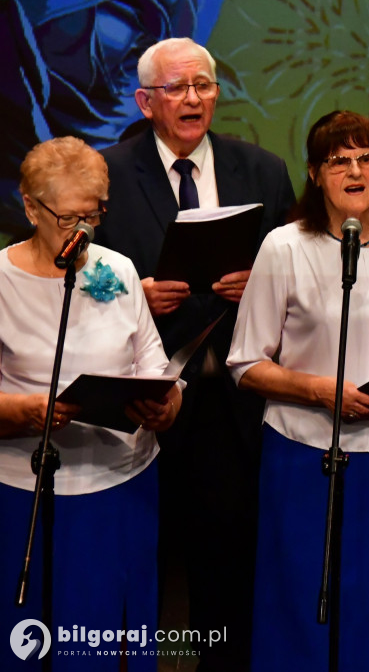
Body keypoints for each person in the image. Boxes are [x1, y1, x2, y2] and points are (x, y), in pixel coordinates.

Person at [226, 110, 369, 671]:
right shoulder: (284, 248)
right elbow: (244, 364)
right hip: (304, 458)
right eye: (339, 161)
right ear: (314, 174)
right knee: (303, 604)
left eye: (366, 158)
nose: (355, 171)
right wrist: (317, 390)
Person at [96, 37, 294, 669]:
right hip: (142, 402)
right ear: (145, 102)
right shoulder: (108, 173)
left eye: (204, 85)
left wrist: (262, 283)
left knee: (227, 573)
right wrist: (133, 294)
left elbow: (301, 276)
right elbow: (73, 277)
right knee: (134, 568)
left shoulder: (261, 170)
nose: (193, 99)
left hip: (234, 405)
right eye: (177, 88)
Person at [0, 137, 181, 670]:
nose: (82, 232)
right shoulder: (1, 279)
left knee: (106, 638)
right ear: (30, 207)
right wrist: (26, 411)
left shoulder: (118, 269)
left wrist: (166, 405)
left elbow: (153, 362)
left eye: (93, 215)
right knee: (28, 637)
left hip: (120, 486)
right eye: (68, 218)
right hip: (23, 490)